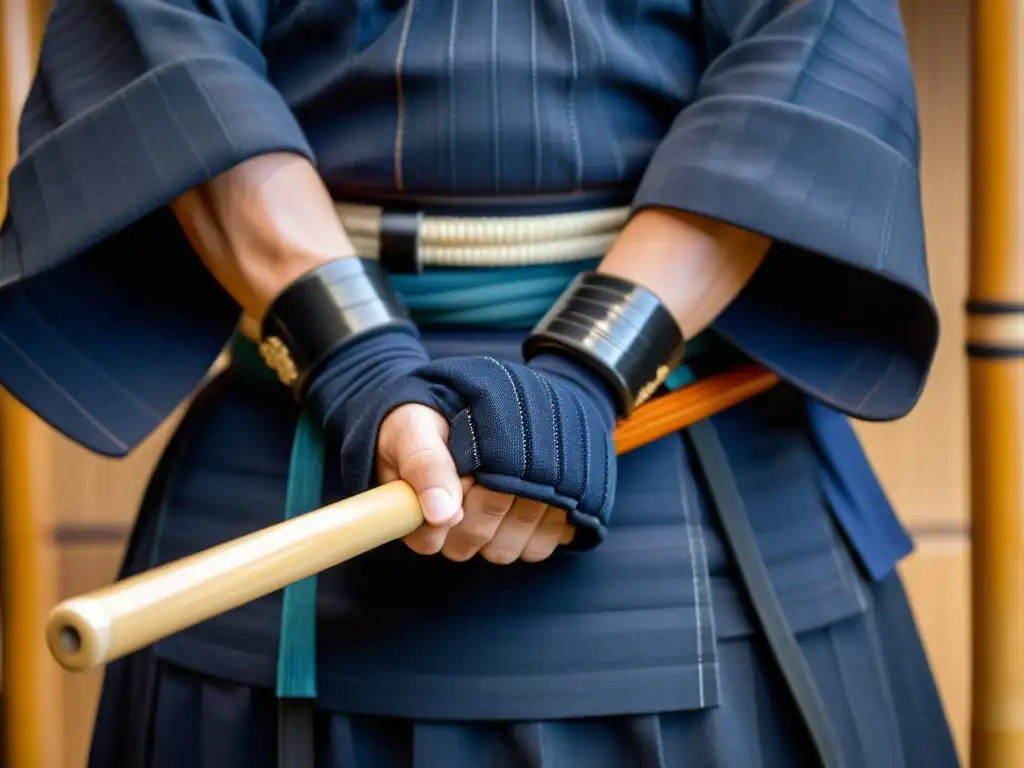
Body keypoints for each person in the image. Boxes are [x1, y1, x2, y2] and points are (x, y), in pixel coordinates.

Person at [0, 0, 959, 765]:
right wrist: (358, 357)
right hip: (303, 397)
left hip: (683, 422)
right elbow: (165, 47)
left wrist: (594, 362)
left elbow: (807, 55)